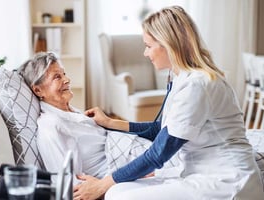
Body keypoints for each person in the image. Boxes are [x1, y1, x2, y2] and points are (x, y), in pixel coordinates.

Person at [73, 6, 264, 200]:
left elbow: (158, 153)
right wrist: (110, 123)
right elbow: (162, 129)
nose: (145, 53)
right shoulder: (181, 77)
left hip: (227, 180)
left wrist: (102, 184)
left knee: (117, 195)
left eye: (148, 45)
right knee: (116, 191)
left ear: (168, 45)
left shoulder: (197, 85)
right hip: (197, 170)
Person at [18, 52, 152, 184]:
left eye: (64, 73)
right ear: (38, 90)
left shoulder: (72, 111)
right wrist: (135, 174)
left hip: (142, 154)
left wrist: (108, 123)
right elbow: (67, 182)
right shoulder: (51, 126)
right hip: (132, 167)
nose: (67, 80)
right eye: (57, 77)